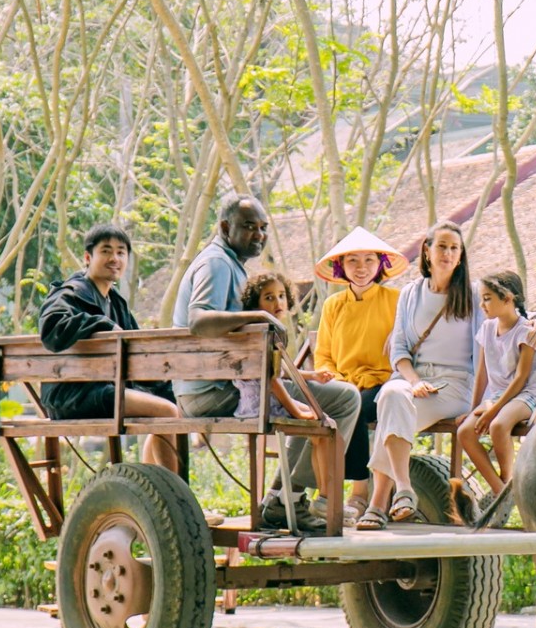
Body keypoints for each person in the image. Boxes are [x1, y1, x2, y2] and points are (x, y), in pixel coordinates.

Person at [173, 195, 360, 531]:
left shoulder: (230, 264)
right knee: (344, 398)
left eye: (263, 228)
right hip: (214, 390)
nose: (258, 235)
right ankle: (288, 499)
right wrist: (260, 316)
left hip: (219, 384)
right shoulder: (216, 263)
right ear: (225, 227)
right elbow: (198, 320)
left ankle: (283, 498)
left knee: (315, 400)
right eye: (249, 227)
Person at [358, 221, 536, 530]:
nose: (447, 253)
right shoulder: (410, 294)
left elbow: (517, 309)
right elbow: (399, 349)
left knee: (392, 409)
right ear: (427, 251)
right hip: (413, 382)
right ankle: (403, 490)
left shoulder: (474, 294)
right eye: (442, 246)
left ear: (460, 256)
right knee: (391, 395)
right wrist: (414, 382)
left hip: (456, 386)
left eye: (454, 248)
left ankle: (379, 504)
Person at [38, 223, 179, 472]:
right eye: (106, 251)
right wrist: (102, 324)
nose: (115, 258)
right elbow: (51, 328)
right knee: (167, 411)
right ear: (88, 257)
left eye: (121, 252)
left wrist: (168, 388)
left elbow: (138, 350)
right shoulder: (70, 293)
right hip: (73, 394)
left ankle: (156, 488)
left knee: (173, 404)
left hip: (104, 389)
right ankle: (175, 492)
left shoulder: (116, 302)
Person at [309, 227, 407, 522]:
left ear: (380, 264)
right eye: (353, 260)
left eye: (368, 260)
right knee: (328, 407)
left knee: (358, 408)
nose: (361, 268)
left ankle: (360, 491)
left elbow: (408, 344)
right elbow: (323, 355)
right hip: (342, 382)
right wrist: (333, 377)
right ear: (341, 266)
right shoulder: (333, 305)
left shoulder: (397, 300)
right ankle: (311, 492)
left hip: (384, 381)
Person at [235, 272, 339, 516]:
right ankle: (325, 499)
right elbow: (271, 381)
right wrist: (295, 410)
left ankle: (323, 497)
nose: (278, 302)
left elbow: (280, 372)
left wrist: (313, 376)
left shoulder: (269, 330)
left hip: (260, 398)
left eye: (282, 296)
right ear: (255, 305)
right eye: (269, 297)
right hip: (262, 402)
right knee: (324, 426)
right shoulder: (262, 333)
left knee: (323, 426)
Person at [458, 270, 536, 493]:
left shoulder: (525, 331)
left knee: (498, 426)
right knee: (465, 432)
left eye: (487, 298)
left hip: (529, 394)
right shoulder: (487, 328)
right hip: (500, 396)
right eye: (481, 298)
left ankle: (508, 480)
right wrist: (473, 409)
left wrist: (493, 410)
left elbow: (521, 378)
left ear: (508, 299)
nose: (482, 305)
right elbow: (482, 374)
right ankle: (500, 491)